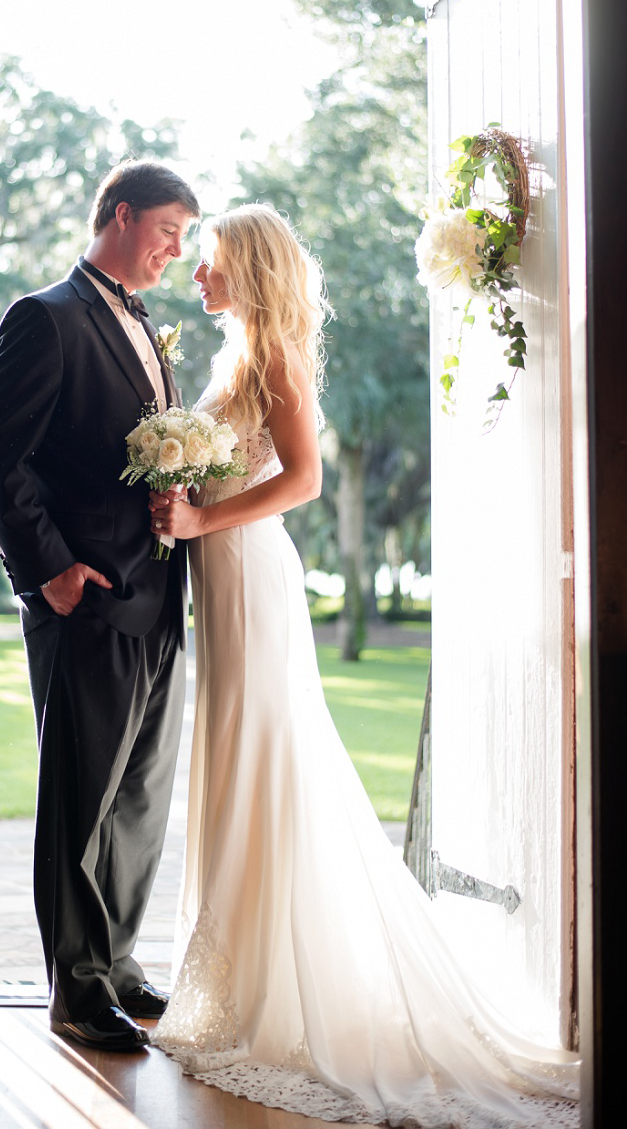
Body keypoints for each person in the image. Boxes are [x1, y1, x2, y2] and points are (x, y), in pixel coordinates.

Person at [148, 205, 580, 1127]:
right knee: (237, 759)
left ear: (250, 268)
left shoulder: (276, 359)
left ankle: (275, 992)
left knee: (271, 761)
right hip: (221, 584)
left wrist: (200, 519)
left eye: (211, 261)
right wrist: (184, 490)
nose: (197, 275)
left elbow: (300, 483)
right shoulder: (234, 357)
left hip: (253, 581)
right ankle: (233, 980)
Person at [0, 159, 200, 1053]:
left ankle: (119, 964)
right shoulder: (45, 318)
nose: (177, 252)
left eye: (184, 240)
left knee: (139, 798)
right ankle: (74, 987)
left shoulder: (145, 325)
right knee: (81, 799)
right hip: (87, 603)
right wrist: (51, 573)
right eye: (169, 231)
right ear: (123, 213)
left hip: (159, 599)